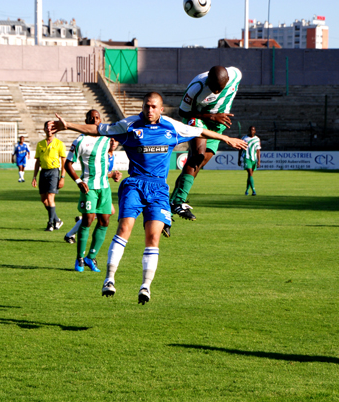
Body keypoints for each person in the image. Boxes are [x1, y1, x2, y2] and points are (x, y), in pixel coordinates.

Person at [47, 92, 246, 304]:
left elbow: (200, 131)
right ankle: (109, 279)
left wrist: (226, 138)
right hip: (135, 184)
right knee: (124, 229)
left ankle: (145, 286)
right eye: (146, 106)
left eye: (153, 107)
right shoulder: (129, 125)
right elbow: (97, 129)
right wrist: (67, 125)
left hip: (159, 189)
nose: (149, 110)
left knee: (153, 238)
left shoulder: (172, 127)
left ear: (161, 109)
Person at [167, 65, 242, 228]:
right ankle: (178, 201)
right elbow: (182, 112)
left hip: (218, 123)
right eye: (213, 88)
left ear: (227, 81)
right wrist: (211, 116)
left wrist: (217, 117)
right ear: (208, 80)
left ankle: (170, 205)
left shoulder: (236, 75)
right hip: (198, 117)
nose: (215, 92)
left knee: (199, 164)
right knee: (197, 156)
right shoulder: (197, 87)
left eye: (219, 89)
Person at [63, 110, 122, 272]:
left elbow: (104, 162)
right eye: (91, 118)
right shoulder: (80, 141)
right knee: (88, 220)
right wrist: (78, 181)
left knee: (104, 221)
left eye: (97, 118)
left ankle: (91, 257)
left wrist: (113, 174)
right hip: (88, 186)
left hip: (104, 187)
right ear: (86, 121)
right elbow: (68, 164)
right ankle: (79, 259)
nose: (95, 120)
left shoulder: (106, 138)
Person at [32, 123, 67, 231]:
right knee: (44, 199)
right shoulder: (40, 144)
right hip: (43, 172)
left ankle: (50, 223)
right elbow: (37, 161)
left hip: (54, 172)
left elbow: (63, 161)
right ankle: (57, 220)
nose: (49, 129)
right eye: (47, 127)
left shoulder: (59, 144)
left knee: (50, 197)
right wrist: (34, 176)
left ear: (55, 130)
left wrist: (62, 177)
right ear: (44, 129)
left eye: (51, 128)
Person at [238, 126, 261, 196]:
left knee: (250, 175)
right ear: (248, 131)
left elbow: (258, 150)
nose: (252, 131)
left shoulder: (257, 139)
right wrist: (239, 159)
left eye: (253, 130)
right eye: (250, 130)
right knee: (250, 173)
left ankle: (247, 190)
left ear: (255, 131)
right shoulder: (244, 138)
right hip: (246, 158)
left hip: (253, 159)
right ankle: (254, 190)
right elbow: (240, 149)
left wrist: (259, 160)